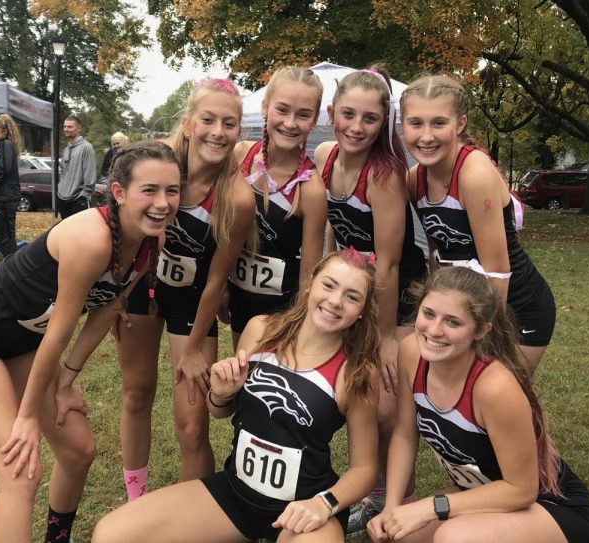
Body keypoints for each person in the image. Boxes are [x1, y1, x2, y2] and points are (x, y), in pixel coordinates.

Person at [0, 141, 180, 543]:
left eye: (172, 190)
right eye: (149, 190)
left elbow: (107, 308)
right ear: (119, 193)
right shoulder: (91, 238)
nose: (163, 203)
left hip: (23, 341)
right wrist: (28, 417)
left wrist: (66, 381)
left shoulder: (153, 242)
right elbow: (59, 332)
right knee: (21, 470)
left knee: (78, 449)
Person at [93, 249, 381, 543]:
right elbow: (220, 410)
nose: (335, 301)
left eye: (352, 296)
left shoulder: (357, 372)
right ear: (310, 283)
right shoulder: (261, 331)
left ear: (362, 310)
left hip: (302, 508)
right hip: (236, 494)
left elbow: (365, 468)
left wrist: (324, 504)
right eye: (329, 285)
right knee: (110, 535)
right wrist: (221, 393)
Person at [366, 267, 589, 543]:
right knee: (401, 535)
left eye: (453, 322)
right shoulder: (411, 352)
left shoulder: (494, 387)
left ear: (481, 330)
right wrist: (393, 507)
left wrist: (432, 506)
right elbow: (404, 434)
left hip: (548, 507)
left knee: (454, 537)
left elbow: (522, 490)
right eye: (428, 314)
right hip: (477, 490)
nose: (434, 330)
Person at [115, 78, 257, 501]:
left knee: (192, 423)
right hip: (142, 289)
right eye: (208, 120)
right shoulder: (158, 160)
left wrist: (196, 345)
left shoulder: (236, 195)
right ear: (189, 123)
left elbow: (217, 278)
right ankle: (136, 499)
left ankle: (190, 517)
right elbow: (118, 228)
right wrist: (116, 294)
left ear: (238, 131)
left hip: (194, 303)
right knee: (136, 395)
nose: (217, 131)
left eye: (228, 124)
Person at [315, 66, 427, 527]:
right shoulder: (324, 155)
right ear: (331, 112)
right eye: (348, 115)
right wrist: (323, 279)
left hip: (395, 296)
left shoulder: (383, 174)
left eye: (370, 119)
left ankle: (398, 496)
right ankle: (374, 490)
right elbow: (330, 222)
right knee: (356, 396)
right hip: (355, 289)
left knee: (386, 407)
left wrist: (383, 336)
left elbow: (391, 262)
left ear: (385, 122)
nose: (357, 128)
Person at [401, 74, 555, 374]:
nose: (426, 136)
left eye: (439, 123)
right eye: (416, 123)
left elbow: (497, 271)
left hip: (516, 306)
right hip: (463, 309)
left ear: (459, 124)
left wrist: (485, 339)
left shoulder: (474, 174)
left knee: (503, 399)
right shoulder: (414, 179)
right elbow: (438, 257)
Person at [227, 65, 328, 348]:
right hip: (239, 296)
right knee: (239, 372)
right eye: (282, 110)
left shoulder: (311, 188)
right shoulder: (240, 155)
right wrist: (222, 286)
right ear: (265, 107)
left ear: (314, 120)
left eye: (303, 114)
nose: (290, 122)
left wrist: (301, 322)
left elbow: (309, 271)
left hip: (281, 309)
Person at [0, 114, 22, 257]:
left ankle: (12, 261)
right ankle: (11, 260)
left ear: (5, 132)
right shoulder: (0, 145)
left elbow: (3, 171)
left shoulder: (6, 145)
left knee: (4, 233)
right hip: (4, 196)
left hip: (8, 197)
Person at [57, 115, 97, 219]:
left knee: (80, 233)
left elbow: (90, 173)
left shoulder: (86, 147)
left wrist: (84, 196)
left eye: (70, 127)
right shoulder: (66, 149)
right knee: (67, 233)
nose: (66, 129)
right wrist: (60, 190)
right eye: (65, 126)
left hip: (78, 200)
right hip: (63, 199)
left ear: (79, 128)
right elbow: (62, 172)